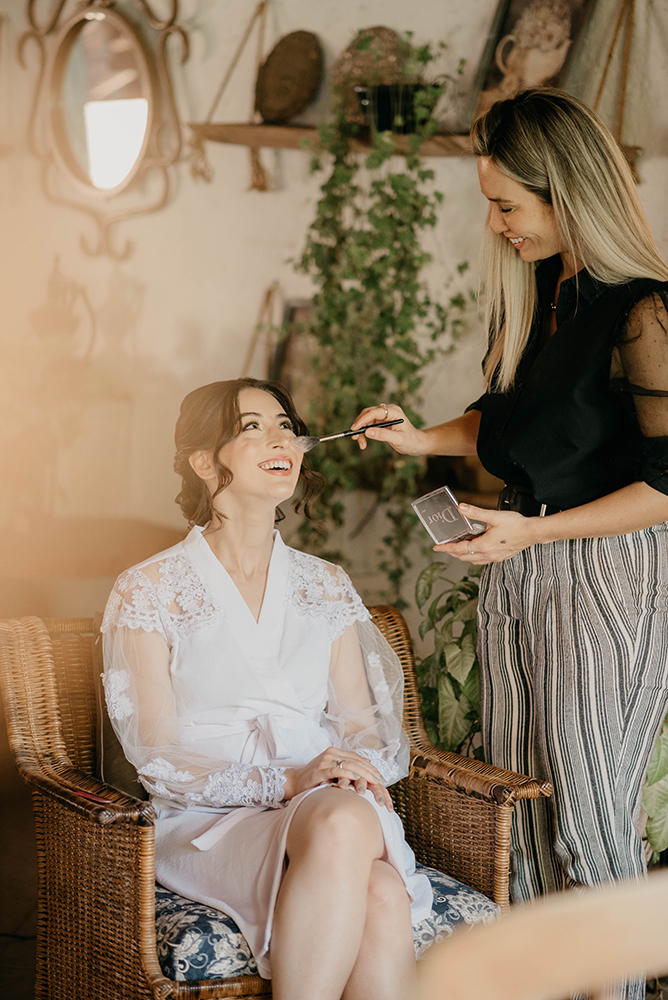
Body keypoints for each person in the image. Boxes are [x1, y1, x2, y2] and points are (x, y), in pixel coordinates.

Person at [351, 88, 668, 1000]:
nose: (496, 226)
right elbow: (511, 426)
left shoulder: (644, 313)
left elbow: (664, 485)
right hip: (520, 568)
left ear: (567, 194)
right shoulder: (540, 296)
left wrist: (537, 531)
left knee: (591, 824)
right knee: (519, 819)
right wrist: (419, 438)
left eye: (508, 205)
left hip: (607, 574)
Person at [100, 377, 433, 1000]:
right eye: (252, 427)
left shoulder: (325, 583)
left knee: (364, 855)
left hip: (322, 804)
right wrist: (285, 780)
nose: (282, 439)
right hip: (208, 819)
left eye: (286, 425)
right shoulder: (149, 588)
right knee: (372, 876)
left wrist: (350, 769)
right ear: (204, 461)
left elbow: (363, 725)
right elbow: (157, 754)